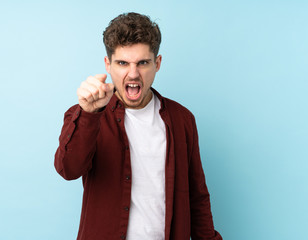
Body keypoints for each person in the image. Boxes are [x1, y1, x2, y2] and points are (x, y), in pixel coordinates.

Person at [54, 12, 222, 240]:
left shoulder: (182, 119)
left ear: (157, 63)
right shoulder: (88, 114)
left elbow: (197, 197)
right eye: (123, 63)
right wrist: (88, 114)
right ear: (108, 65)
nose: (133, 74)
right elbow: (68, 169)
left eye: (142, 63)